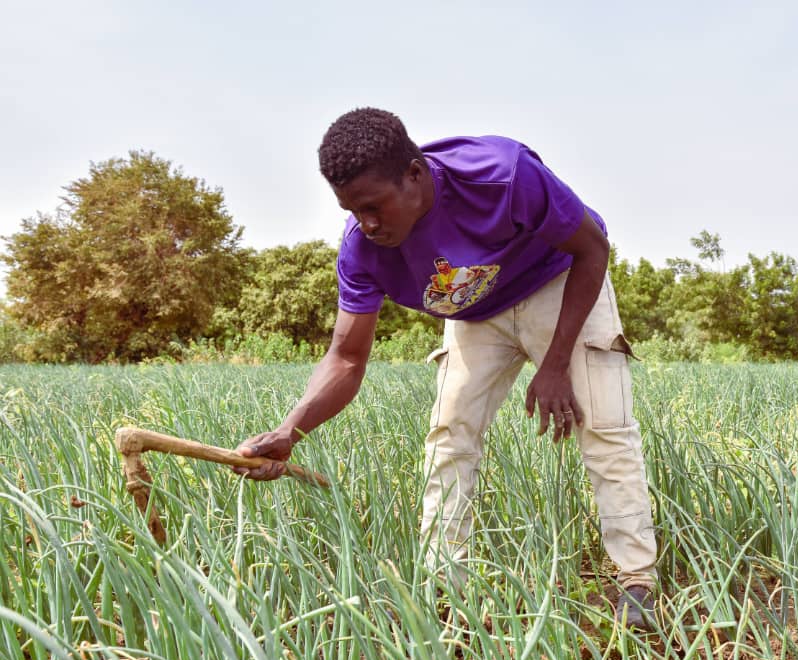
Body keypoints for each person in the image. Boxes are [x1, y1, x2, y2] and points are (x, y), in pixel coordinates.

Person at [234, 107, 657, 629]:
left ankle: (637, 581)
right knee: (449, 436)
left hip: (560, 282)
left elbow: (592, 249)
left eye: (374, 206)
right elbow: (346, 357)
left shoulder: (501, 175)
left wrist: (554, 365)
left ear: (414, 175)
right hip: (476, 311)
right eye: (352, 210)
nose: (366, 223)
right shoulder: (362, 250)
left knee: (606, 425)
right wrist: (290, 431)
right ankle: (445, 589)